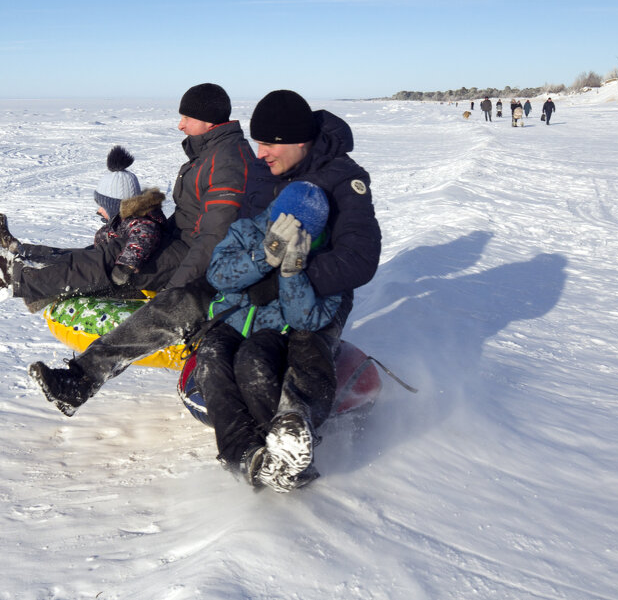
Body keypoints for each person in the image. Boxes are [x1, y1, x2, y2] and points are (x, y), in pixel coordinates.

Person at [28, 89, 383, 459]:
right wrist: (230, 271)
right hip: (251, 276)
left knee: (305, 345)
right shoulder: (268, 171)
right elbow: (236, 228)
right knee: (179, 302)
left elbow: (359, 259)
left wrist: (283, 281)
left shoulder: (344, 181)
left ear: (296, 140)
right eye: (258, 143)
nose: (260, 153)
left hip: (317, 293)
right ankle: (82, 378)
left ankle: (295, 429)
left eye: (268, 145)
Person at [0, 83, 255, 309]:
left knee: (107, 263)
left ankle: (12, 276)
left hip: (188, 254)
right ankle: (19, 257)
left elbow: (214, 236)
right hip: (178, 241)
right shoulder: (209, 153)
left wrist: (175, 289)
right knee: (103, 254)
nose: (180, 124)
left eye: (187, 117)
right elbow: (190, 214)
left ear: (208, 121)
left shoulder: (225, 160)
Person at [194, 181, 344, 491]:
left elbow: (304, 319)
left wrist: (292, 274)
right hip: (231, 322)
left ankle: (281, 453)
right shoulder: (246, 231)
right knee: (211, 359)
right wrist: (264, 256)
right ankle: (245, 455)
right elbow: (218, 275)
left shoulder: (329, 261)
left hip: (277, 335)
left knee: (253, 361)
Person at [0, 146, 167, 311]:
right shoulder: (126, 221)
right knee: (71, 256)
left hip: (131, 279)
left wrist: (125, 266)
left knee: (80, 264)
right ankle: (19, 250)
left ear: (118, 206)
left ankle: (9, 272)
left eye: (103, 205)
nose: (98, 210)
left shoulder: (143, 222)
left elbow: (143, 238)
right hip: (113, 268)